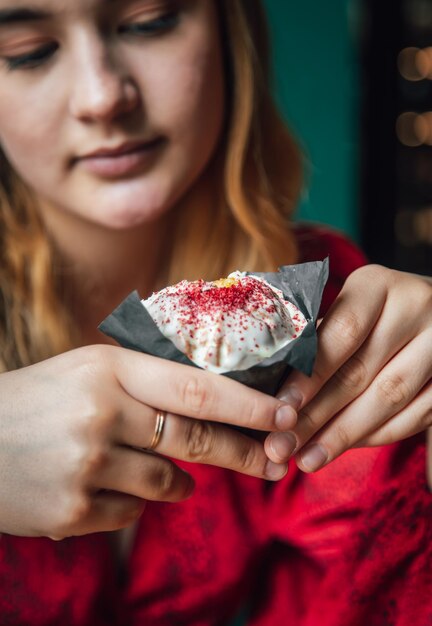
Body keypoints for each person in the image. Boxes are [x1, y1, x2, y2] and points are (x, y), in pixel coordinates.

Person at [0, 1, 430, 624]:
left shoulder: (322, 302)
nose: (102, 98)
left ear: (231, 29)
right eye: (27, 52)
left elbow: (358, 594)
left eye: (148, 21)